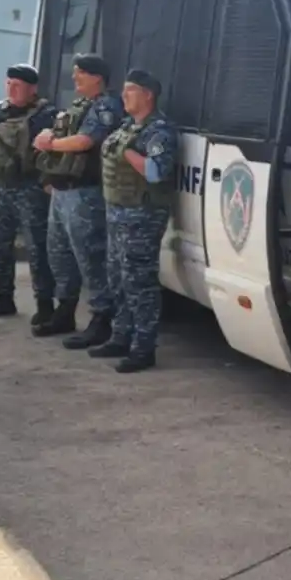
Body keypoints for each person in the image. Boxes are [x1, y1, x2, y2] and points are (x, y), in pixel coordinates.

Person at [32, 53, 124, 342]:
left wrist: (52, 143)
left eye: (80, 73)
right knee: (59, 253)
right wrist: (50, 134)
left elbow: (86, 141)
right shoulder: (81, 105)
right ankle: (65, 310)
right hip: (63, 190)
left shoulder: (107, 106)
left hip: (86, 192)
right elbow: (65, 132)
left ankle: (101, 318)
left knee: (90, 256)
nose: (75, 78)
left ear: (97, 77)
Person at [90, 69, 178, 373]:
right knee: (117, 277)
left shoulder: (159, 132)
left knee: (139, 282)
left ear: (148, 95)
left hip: (142, 216)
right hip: (117, 211)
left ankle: (144, 348)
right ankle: (120, 336)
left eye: (130, 91)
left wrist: (127, 151)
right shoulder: (127, 126)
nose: (124, 96)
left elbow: (155, 172)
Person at [0, 64, 59, 324]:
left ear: (32, 89)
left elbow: (51, 153)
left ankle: (45, 304)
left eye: (17, 85)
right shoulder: (0, 111)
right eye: (8, 83)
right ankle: (2, 297)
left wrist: (47, 183)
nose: (11, 88)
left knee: (37, 248)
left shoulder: (46, 115)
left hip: (28, 189)